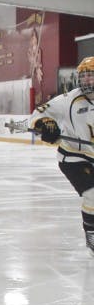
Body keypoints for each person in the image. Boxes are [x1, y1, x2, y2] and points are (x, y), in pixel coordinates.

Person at [30, 56, 94, 255]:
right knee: (93, 195)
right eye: (83, 77)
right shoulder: (69, 100)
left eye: (91, 76)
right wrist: (46, 125)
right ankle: (92, 236)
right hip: (74, 157)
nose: (86, 81)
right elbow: (38, 114)